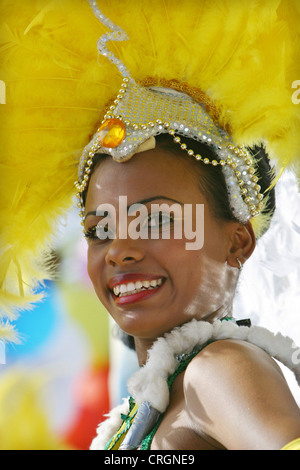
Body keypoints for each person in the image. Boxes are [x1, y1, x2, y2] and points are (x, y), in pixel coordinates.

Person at [1, 0, 300, 451]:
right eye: (100, 229)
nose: (119, 249)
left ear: (237, 241)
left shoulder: (217, 371)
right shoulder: (159, 397)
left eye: (157, 219)